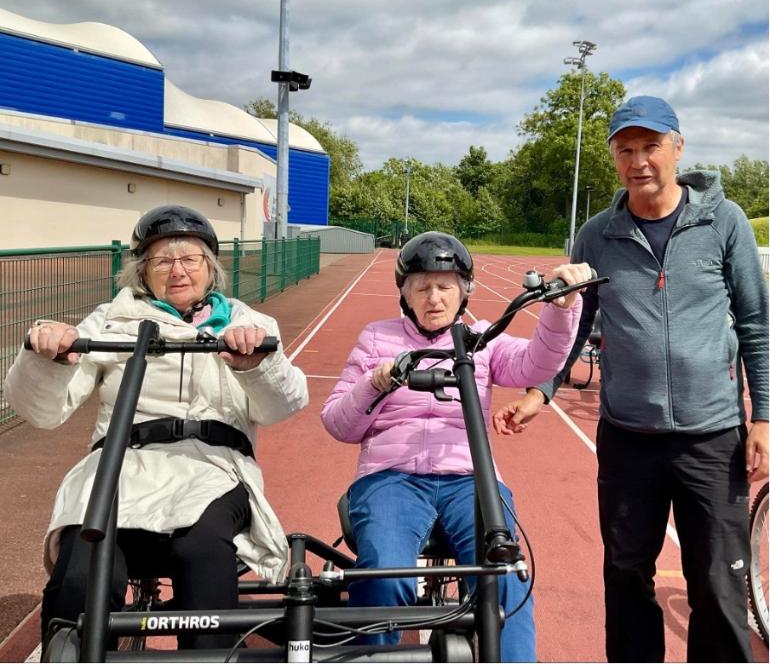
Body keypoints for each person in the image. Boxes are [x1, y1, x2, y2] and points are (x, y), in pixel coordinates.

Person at [493, 96, 769, 662]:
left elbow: (756, 324)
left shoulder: (725, 221)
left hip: (712, 438)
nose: (639, 160)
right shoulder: (597, 236)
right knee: (625, 577)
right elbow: (578, 321)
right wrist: (541, 391)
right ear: (614, 158)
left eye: (650, 146)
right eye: (626, 150)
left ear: (678, 147)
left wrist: (763, 415)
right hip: (627, 441)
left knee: (718, 585)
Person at [3, 204, 309, 650]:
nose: (178, 271)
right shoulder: (111, 320)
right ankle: (66, 648)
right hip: (119, 466)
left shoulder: (248, 324)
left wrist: (256, 366)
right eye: (163, 260)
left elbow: (285, 405)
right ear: (141, 270)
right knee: (84, 565)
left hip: (213, 470)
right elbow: (46, 411)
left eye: (191, 259)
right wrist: (46, 358)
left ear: (211, 268)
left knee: (201, 552)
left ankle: (211, 656)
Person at [320, 231, 592, 661]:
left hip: (468, 477)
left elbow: (538, 363)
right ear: (404, 293)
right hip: (392, 478)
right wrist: (374, 384)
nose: (434, 298)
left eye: (445, 286)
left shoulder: (480, 338)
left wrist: (562, 311)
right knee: (384, 576)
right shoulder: (376, 339)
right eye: (422, 286)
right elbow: (337, 422)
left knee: (505, 577)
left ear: (464, 291)